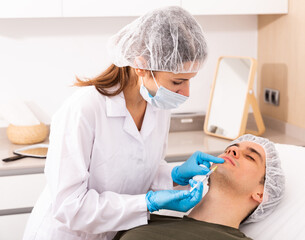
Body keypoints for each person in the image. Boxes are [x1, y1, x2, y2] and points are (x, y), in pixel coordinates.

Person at [23, 6, 225, 240]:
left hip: (112, 233)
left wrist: (174, 174)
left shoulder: (158, 104)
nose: (186, 92)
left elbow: (136, 167)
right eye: (178, 81)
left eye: (190, 80)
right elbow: (69, 206)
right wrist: (146, 203)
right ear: (141, 66)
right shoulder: (84, 109)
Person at [114, 134, 286, 240]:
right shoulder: (146, 218)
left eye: (250, 157)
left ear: (261, 193)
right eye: (231, 148)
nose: (232, 151)